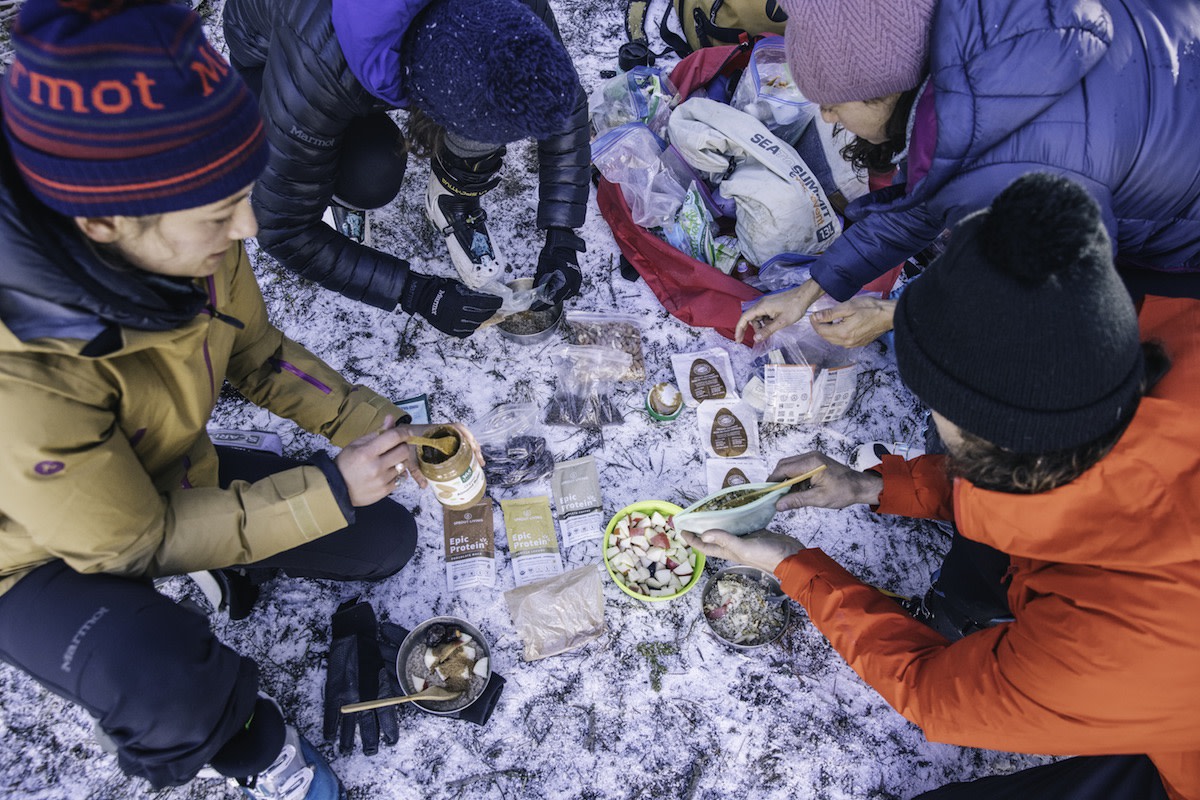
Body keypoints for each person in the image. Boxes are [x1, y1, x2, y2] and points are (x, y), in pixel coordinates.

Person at [0, 2, 476, 797]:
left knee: (383, 539)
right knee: (164, 685)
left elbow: (258, 355)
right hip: (39, 555)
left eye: (241, 193)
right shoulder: (22, 375)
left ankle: (229, 562)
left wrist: (381, 426)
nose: (249, 226)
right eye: (221, 212)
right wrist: (326, 489)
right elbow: (131, 542)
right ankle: (255, 748)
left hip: (163, 471)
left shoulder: (187, 237)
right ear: (103, 221)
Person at [686, 174, 1200, 799]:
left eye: (939, 407)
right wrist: (869, 487)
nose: (936, 423)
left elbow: (930, 690)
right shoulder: (1145, 338)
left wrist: (790, 562)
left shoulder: (1110, 647)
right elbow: (1018, 483)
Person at [735, 0, 1200, 349]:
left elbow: (1056, 298)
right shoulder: (969, 54)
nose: (827, 118)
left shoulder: (1016, 161)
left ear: (884, 90)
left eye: (833, 105)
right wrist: (810, 289)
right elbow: (925, 201)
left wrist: (895, 314)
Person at [222, 0, 592, 339]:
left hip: (379, 54)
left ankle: (451, 199)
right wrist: (415, 291)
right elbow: (282, 228)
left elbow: (562, 101)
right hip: (274, 56)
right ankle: (337, 186)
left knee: (493, 107)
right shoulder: (316, 68)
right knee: (370, 173)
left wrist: (562, 233)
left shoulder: (510, 11)